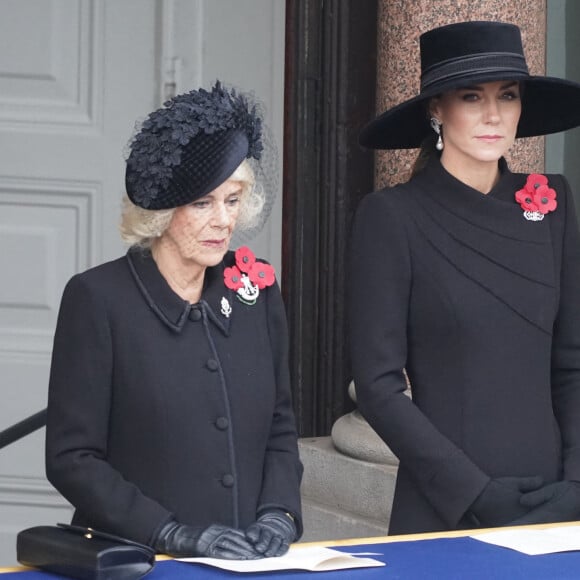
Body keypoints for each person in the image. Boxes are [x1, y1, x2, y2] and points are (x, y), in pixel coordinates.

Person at [45, 81, 303, 559]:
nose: (224, 220)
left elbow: (280, 428)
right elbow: (72, 459)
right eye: (202, 203)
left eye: (232, 200)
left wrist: (279, 512)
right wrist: (166, 533)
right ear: (161, 212)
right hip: (140, 561)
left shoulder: (257, 293)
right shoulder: (98, 300)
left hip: (248, 563)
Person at [349, 21, 580, 534]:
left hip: (554, 504)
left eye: (508, 95)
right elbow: (378, 387)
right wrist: (472, 493)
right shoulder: (391, 216)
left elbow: (572, 363)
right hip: (445, 504)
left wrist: (576, 483)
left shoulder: (553, 203)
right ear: (437, 109)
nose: (494, 114)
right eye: (472, 96)